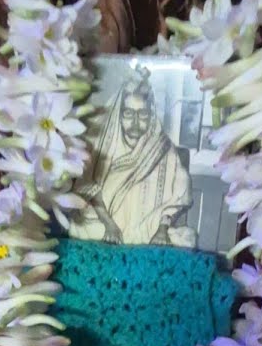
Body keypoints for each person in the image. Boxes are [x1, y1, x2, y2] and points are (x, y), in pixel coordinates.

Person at [71, 70, 197, 247]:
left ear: (151, 115)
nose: (136, 122)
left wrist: (161, 230)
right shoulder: (100, 143)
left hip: (147, 226)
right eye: (129, 114)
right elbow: (87, 184)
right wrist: (109, 224)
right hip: (103, 221)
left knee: (181, 240)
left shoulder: (162, 147)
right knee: (84, 230)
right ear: (119, 115)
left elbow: (179, 192)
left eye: (143, 114)